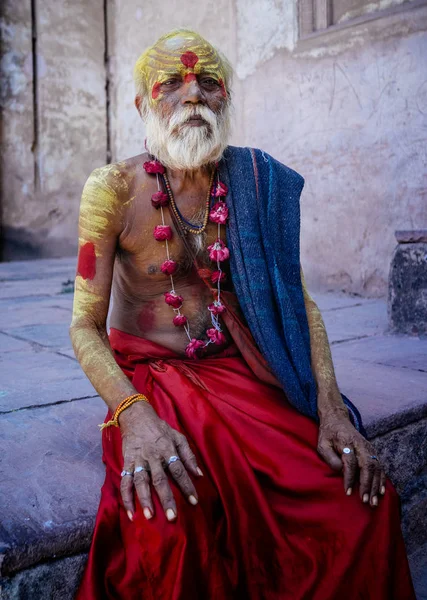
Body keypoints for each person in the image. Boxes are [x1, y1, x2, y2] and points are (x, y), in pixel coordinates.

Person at [70, 28, 415, 600]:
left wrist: (332, 407)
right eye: (171, 85)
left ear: (227, 96)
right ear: (142, 104)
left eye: (208, 83)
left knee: (357, 504)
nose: (193, 98)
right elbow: (84, 325)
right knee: (170, 534)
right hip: (150, 383)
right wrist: (132, 415)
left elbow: (297, 301)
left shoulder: (256, 181)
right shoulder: (111, 191)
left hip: (239, 372)